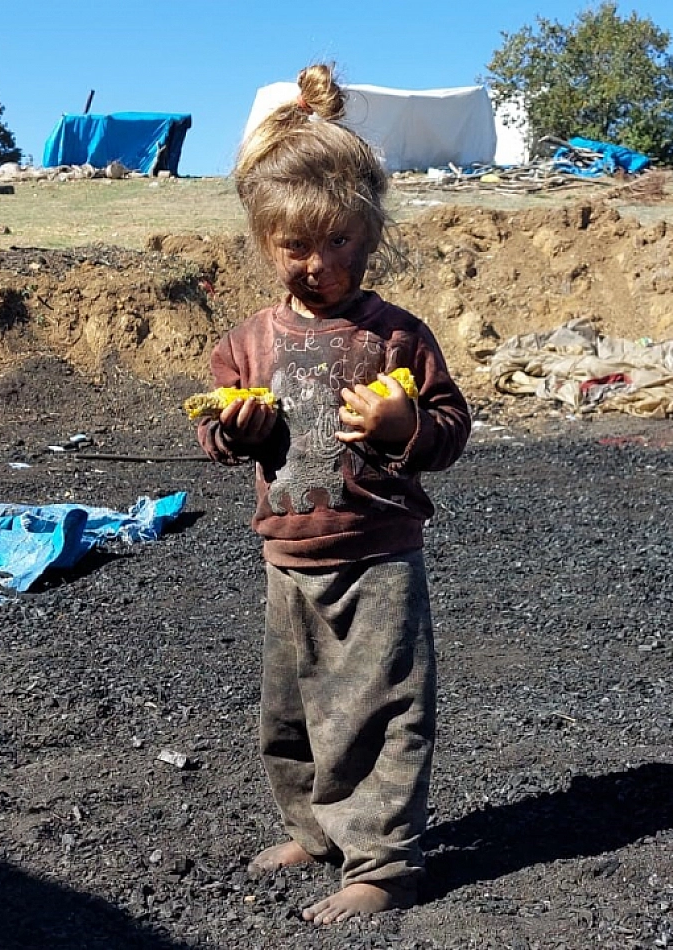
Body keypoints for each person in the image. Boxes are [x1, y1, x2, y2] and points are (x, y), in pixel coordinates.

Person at [195, 63, 471, 925]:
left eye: (341, 243)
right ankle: (315, 830)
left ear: (370, 234)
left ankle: (385, 863)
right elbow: (216, 430)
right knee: (292, 706)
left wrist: (404, 429)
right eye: (297, 247)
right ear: (264, 240)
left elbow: (452, 428)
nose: (320, 264)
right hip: (288, 555)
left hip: (379, 553)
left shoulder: (396, 336)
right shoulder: (248, 341)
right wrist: (232, 429)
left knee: (382, 709)